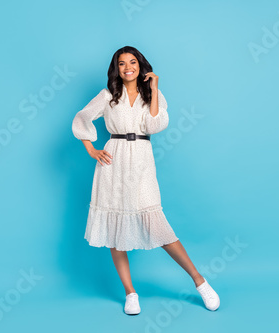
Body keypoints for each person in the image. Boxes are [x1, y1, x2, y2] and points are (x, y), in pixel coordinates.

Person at [72, 46, 220, 315]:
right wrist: (91, 148)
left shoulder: (152, 94)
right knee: (115, 233)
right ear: (116, 69)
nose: (127, 67)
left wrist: (153, 87)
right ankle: (130, 293)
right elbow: (82, 117)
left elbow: (155, 125)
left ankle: (200, 282)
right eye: (121, 63)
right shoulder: (108, 96)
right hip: (113, 162)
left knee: (158, 226)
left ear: (140, 66)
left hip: (141, 160)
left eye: (132, 62)